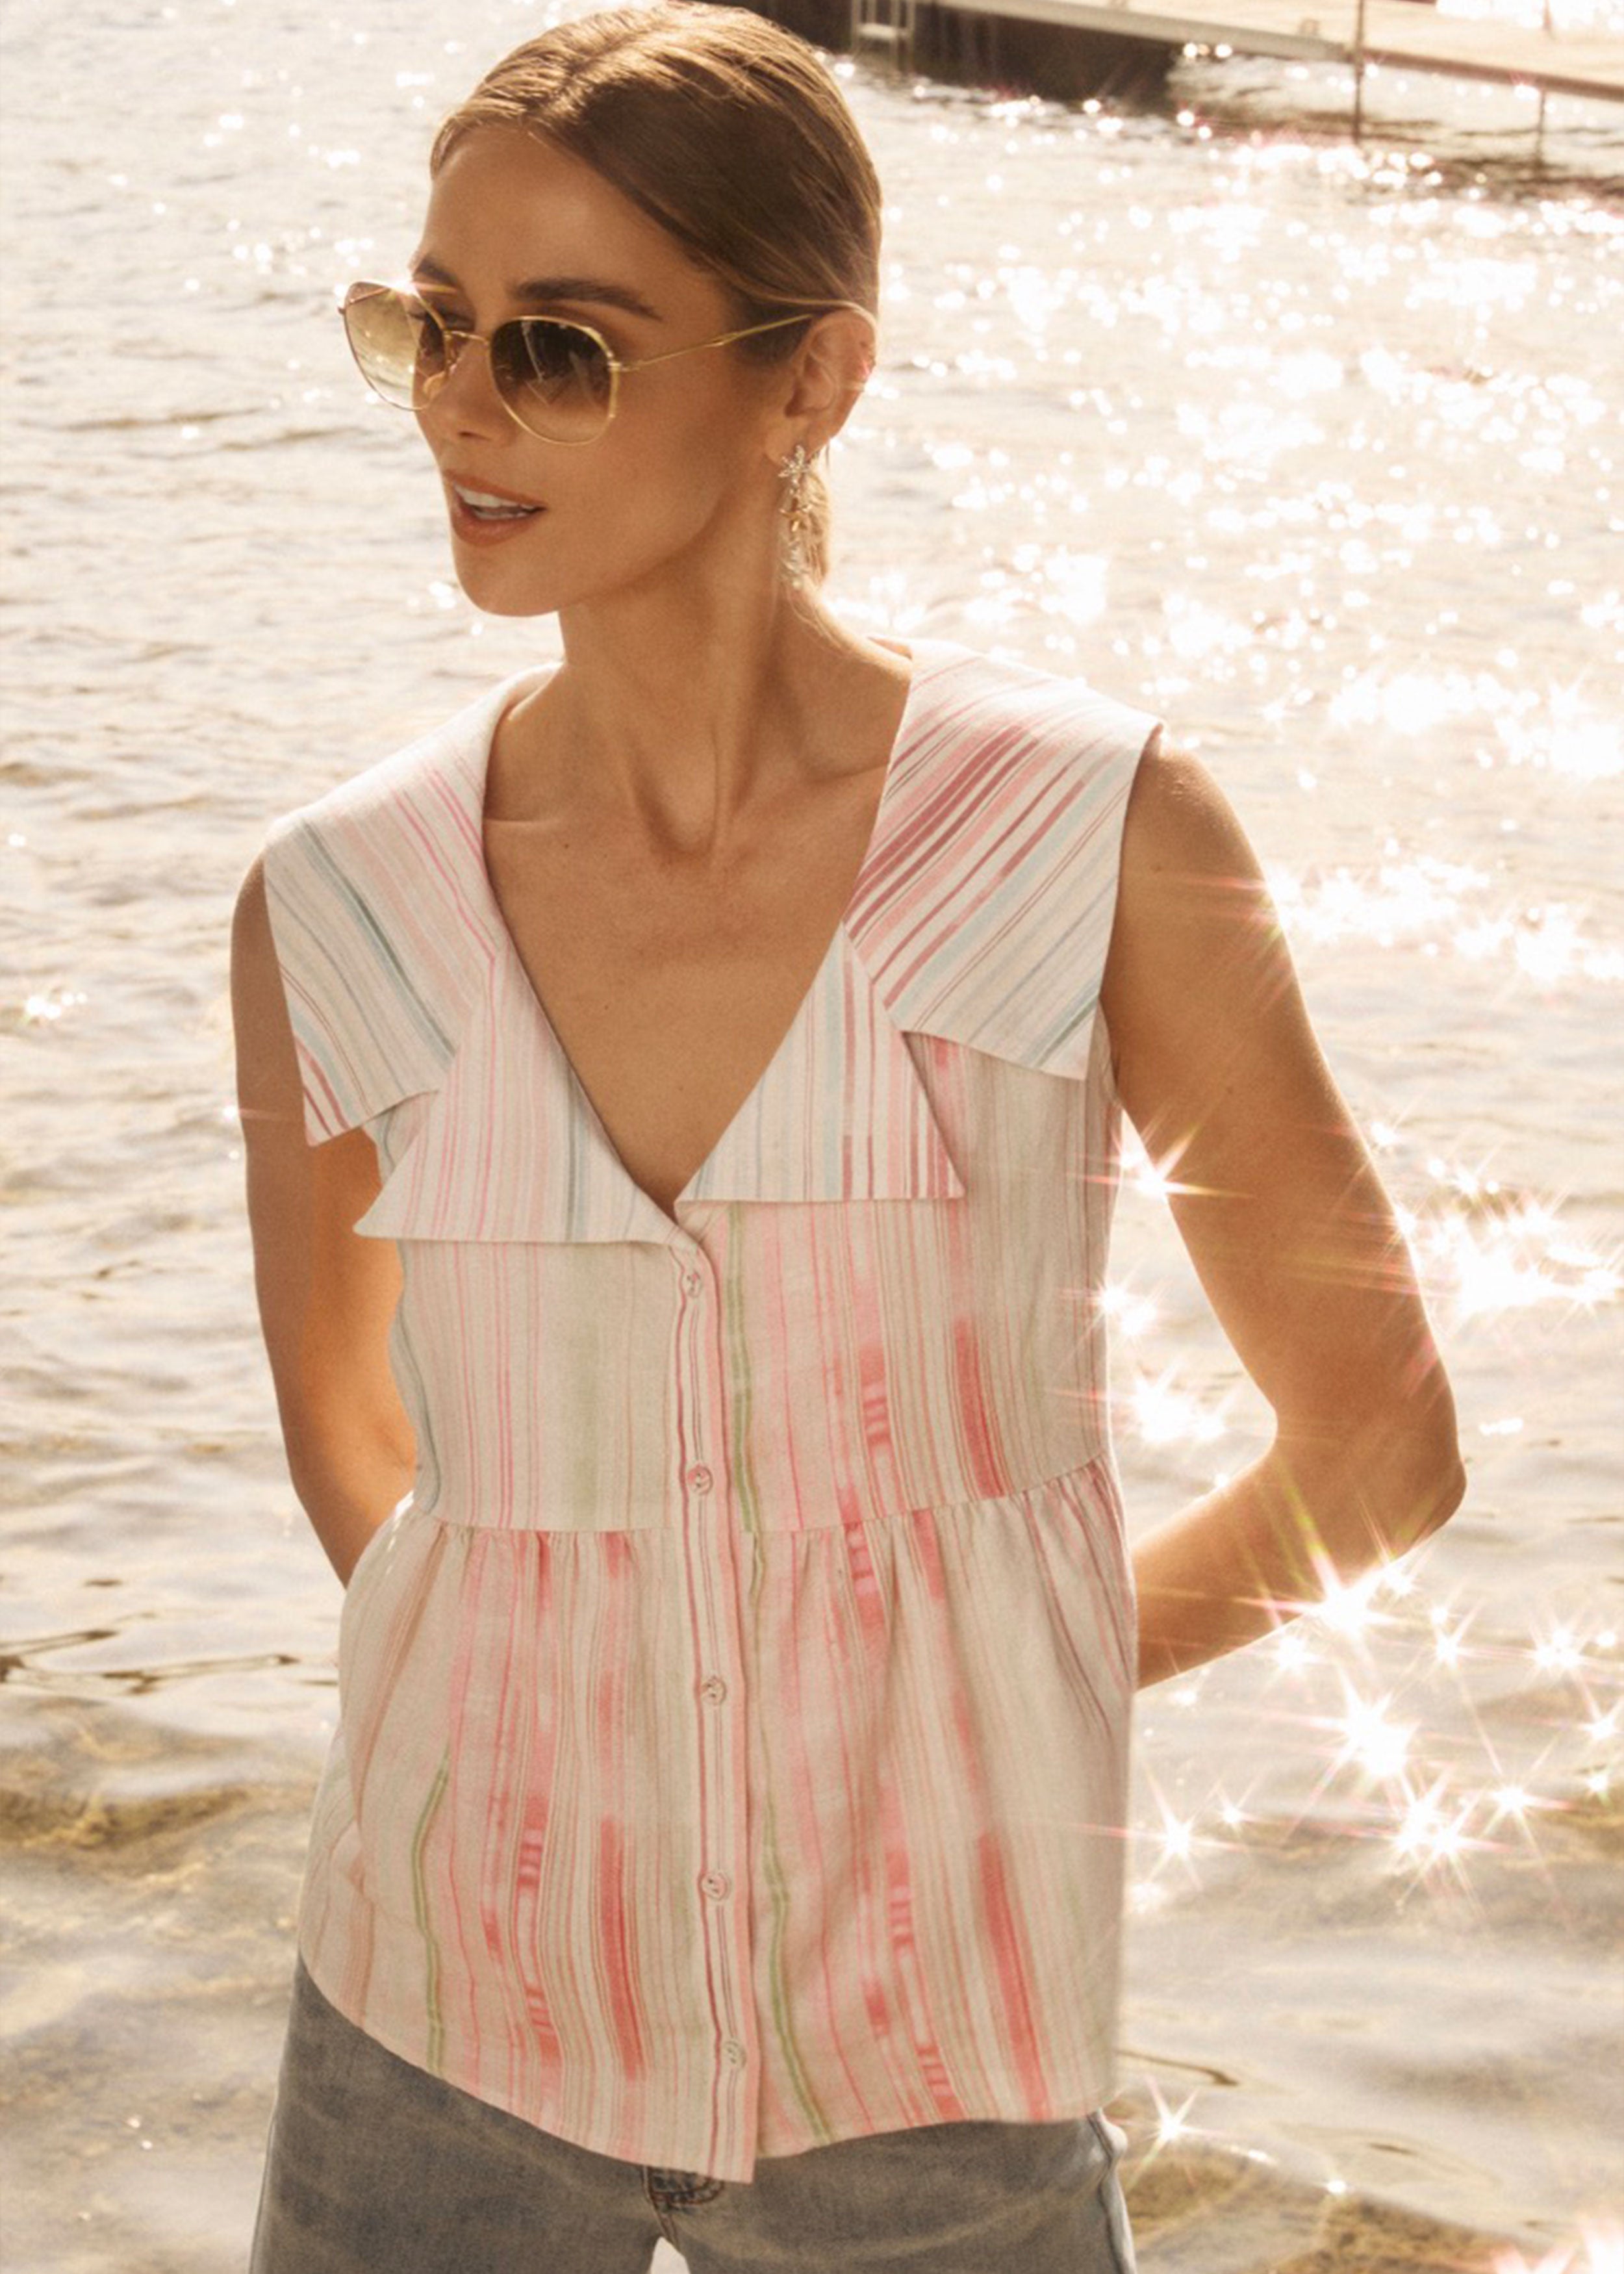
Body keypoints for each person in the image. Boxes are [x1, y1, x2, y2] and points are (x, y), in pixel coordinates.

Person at [230, 5, 1465, 2268]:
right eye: (427, 323)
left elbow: (1376, 1445)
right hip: (435, 2035)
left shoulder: (1091, 837)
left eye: (561, 349)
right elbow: (346, 1433)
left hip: (935, 2059)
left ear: (808, 383)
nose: (461, 405)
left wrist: (1004, 1687)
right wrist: (563, 1703)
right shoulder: (335, 897)